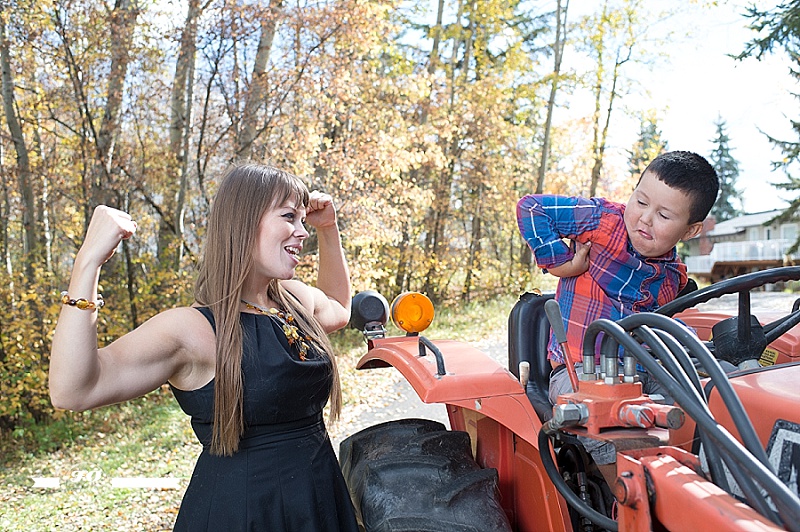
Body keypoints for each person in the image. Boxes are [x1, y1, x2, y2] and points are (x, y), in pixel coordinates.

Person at [49, 163, 359, 531]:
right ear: (243, 221)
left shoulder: (293, 300)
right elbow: (72, 390)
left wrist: (328, 229)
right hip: (244, 515)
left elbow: (339, 308)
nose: (301, 231)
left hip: (320, 500)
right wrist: (87, 263)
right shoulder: (190, 330)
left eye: (304, 220)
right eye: (289, 216)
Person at [517, 151, 718, 470]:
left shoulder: (673, 273)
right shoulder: (603, 220)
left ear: (690, 230)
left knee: (709, 399)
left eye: (664, 216)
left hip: (643, 366)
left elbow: (658, 327)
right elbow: (532, 208)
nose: (645, 219)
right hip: (583, 370)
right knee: (617, 429)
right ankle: (625, 506)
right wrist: (560, 263)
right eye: (641, 202)